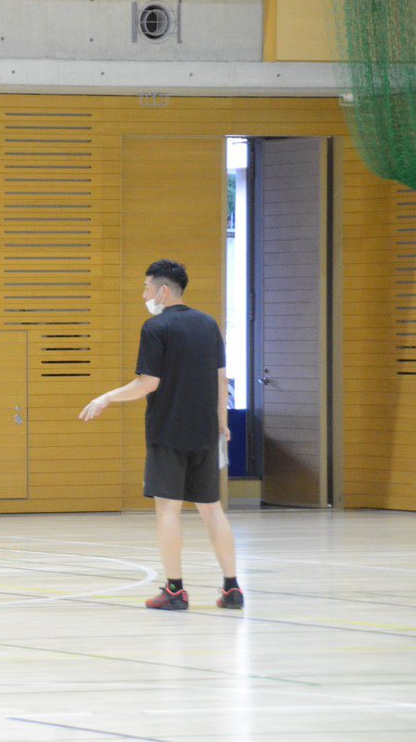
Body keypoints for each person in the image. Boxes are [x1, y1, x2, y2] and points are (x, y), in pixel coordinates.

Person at [79, 259, 243, 611]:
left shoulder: (155, 327)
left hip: (168, 432)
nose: (144, 295)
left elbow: (147, 383)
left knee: (168, 511)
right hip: (205, 433)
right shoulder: (208, 324)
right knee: (212, 509)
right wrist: (222, 422)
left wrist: (106, 397)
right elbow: (221, 377)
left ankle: (175, 590)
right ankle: (232, 588)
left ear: (163, 291)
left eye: (146, 288)